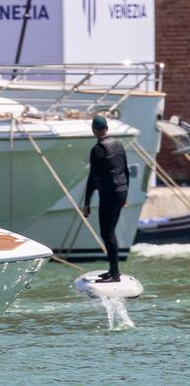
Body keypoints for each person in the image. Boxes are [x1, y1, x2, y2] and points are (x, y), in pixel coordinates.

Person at [82, 114, 129, 283]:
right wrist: (125, 195)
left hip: (109, 194)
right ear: (107, 128)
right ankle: (113, 270)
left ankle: (115, 274)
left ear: (94, 130)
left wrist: (87, 201)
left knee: (107, 233)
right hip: (120, 191)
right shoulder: (118, 144)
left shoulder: (97, 149)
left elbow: (93, 177)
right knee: (111, 232)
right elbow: (125, 170)